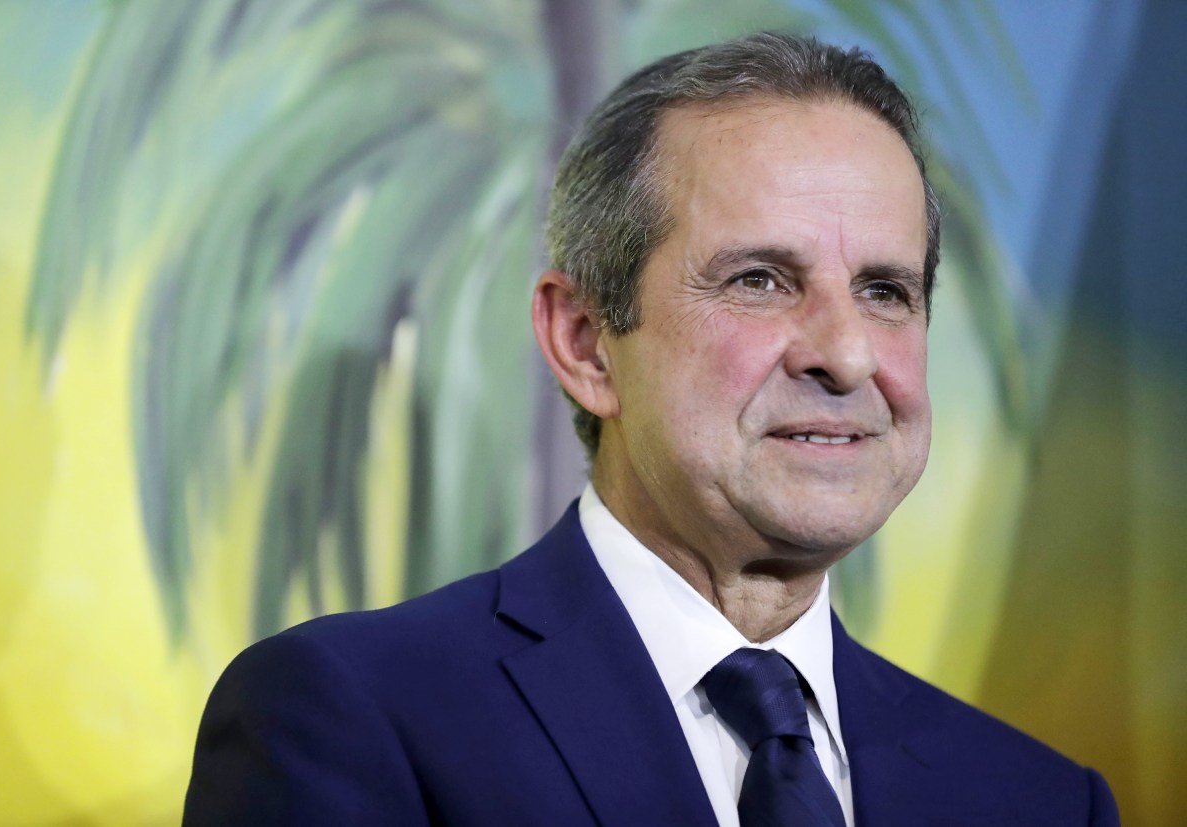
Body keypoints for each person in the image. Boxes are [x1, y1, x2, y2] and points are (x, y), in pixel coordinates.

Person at [184, 31, 1119, 826]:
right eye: (761, 279)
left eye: (885, 292)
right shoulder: (349, 717)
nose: (847, 354)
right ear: (586, 341)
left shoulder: (1038, 799)